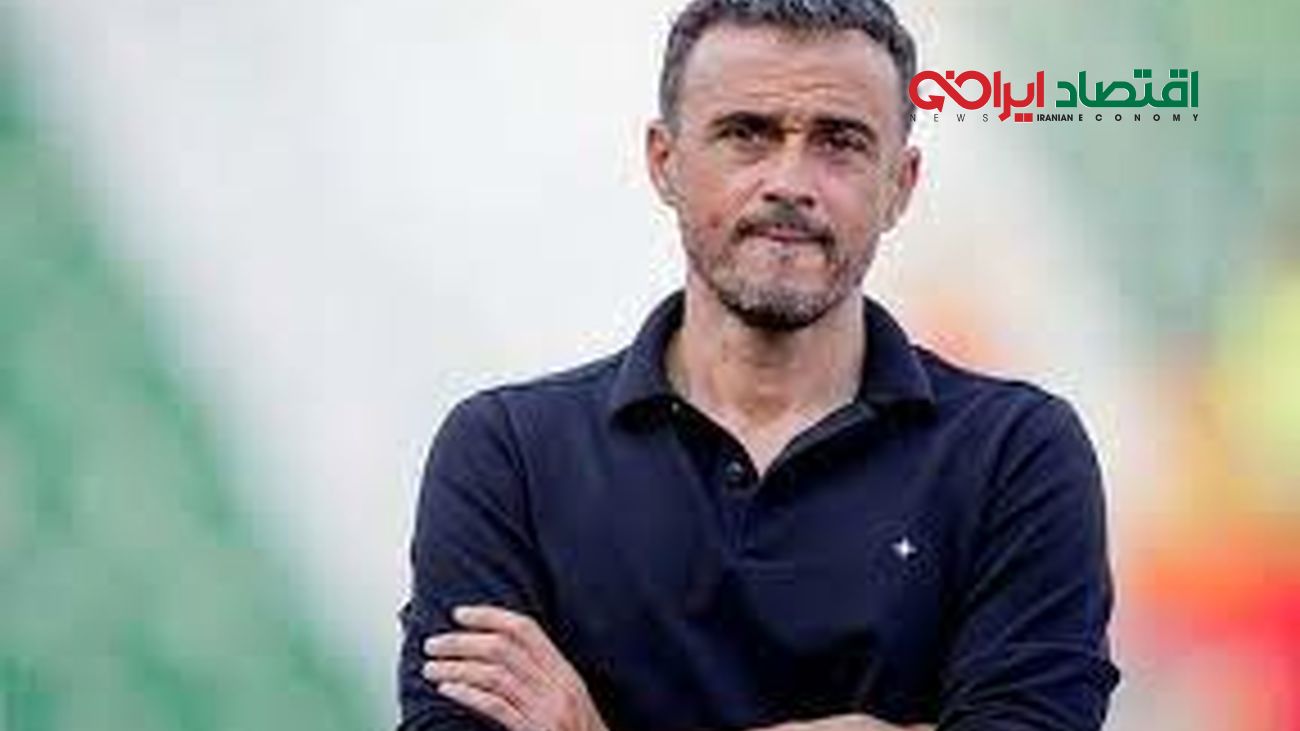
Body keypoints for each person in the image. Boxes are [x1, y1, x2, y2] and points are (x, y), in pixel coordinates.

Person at [397, 1, 1120, 729]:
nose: (790, 182)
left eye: (839, 142)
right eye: (746, 134)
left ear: (900, 185)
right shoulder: (510, 456)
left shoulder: (1015, 455)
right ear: (665, 162)